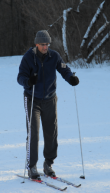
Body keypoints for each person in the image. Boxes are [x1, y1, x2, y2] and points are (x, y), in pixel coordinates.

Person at [17, 30, 79, 180]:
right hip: (32, 99)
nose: (46, 47)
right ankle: (32, 166)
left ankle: (48, 164)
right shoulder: (28, 58)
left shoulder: (54, 56)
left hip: (50, 99)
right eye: (43, 44)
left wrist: (71, 78)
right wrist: (29, 81)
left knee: (51, 133)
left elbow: (64, 69)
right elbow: (20, 77)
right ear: (36, 44)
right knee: (33, 133)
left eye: (47, 44)